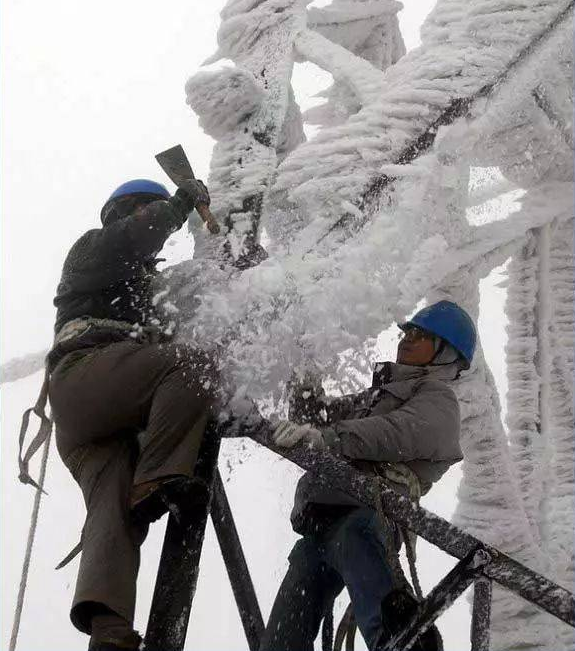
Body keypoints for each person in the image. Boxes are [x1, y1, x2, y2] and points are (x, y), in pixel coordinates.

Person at [46, 177, 218, 651]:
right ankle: (160, 478)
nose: (154, 223)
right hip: (87, 375)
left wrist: (236, 263)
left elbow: (204, 286)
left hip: (94, 418)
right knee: (193, 363)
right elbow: (135, 235)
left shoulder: (152, 289)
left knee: (114, 516)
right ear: (124, 212)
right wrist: (180, 204)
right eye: (147, 212)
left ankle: (110, 634)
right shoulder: (92, 251)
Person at [262, 301, 477, 651]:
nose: (407, 338)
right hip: (321, 525)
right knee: (286, 629)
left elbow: (395, 433)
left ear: (445, 353)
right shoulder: (379, 395)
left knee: (358, 543)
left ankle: (403, 639)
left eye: (421, 334)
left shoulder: (438, 399)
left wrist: (325, 438)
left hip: (365, 515)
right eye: (407, 331)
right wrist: (301, 363)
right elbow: (317, 422)